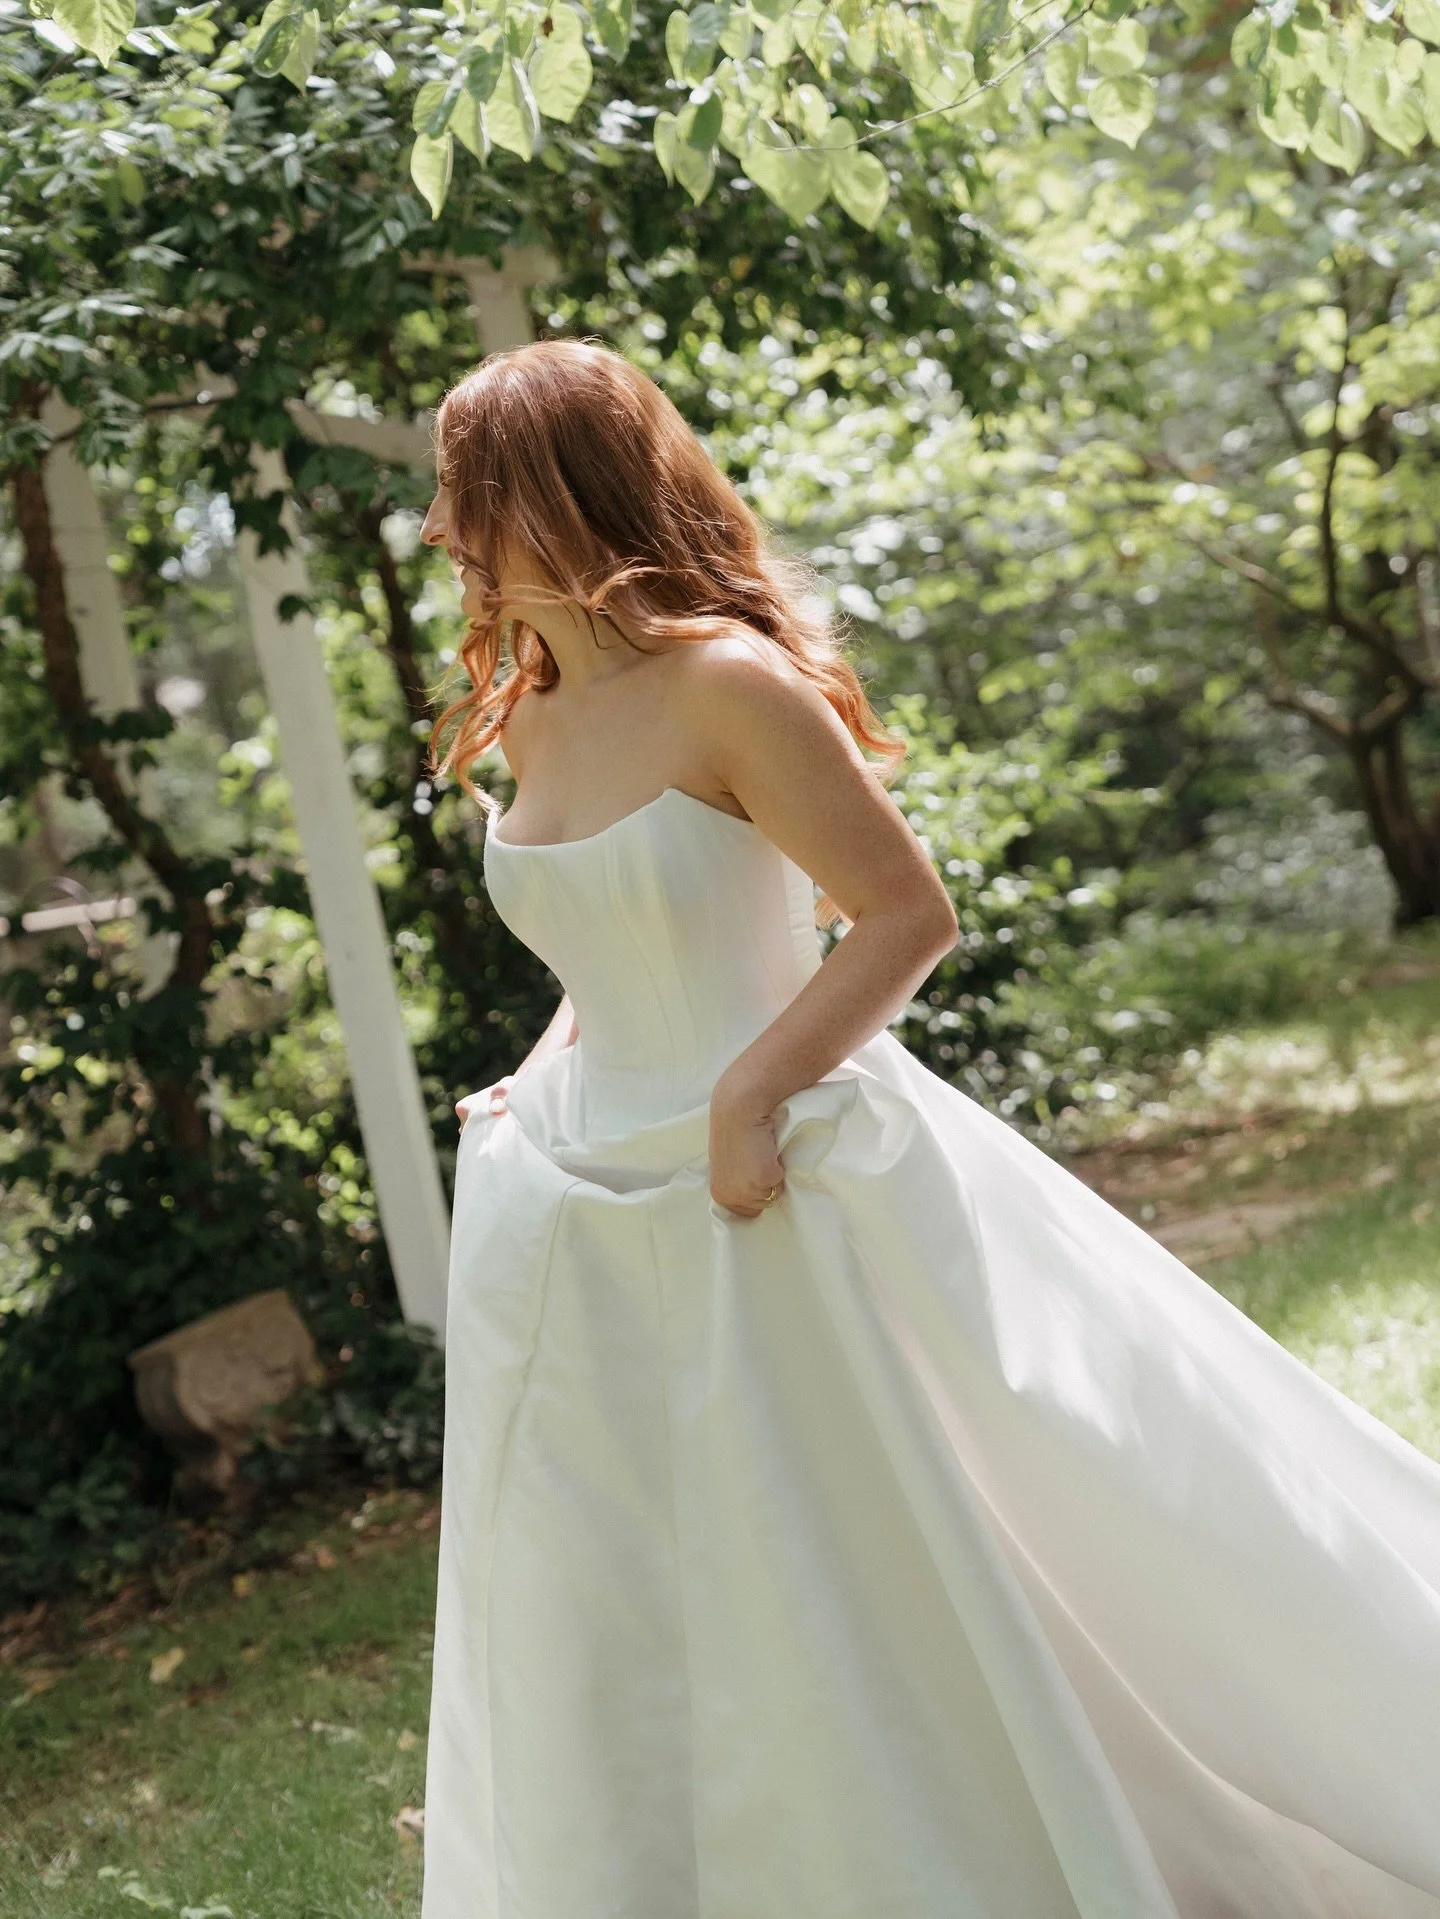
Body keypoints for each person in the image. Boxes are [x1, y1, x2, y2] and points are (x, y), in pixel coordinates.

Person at [415, 339, 1440, 1919]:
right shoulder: (530, 718)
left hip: (775, 1181)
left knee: (875, 1558)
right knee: (633, 1583)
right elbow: (601, 956)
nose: (441, 531)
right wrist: (535, 1075)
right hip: (588, 1199)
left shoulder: (728, 685)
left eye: (467, 495)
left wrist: (753, 1094)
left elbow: (905, 915)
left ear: (558, 493)